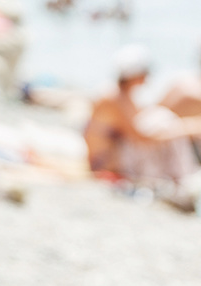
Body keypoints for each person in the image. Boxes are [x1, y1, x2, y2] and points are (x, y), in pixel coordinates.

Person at [84, 45, 201, 189]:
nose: (148, 79)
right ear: (136, 74)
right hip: (103, 164)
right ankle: (181, 178)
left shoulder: (121, 96)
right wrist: (187, 128)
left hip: (107, 160)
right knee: (164, 121)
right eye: (146, 73)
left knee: (162, 120)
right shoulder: (114, 98)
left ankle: (181, 177)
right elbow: (140, 137)